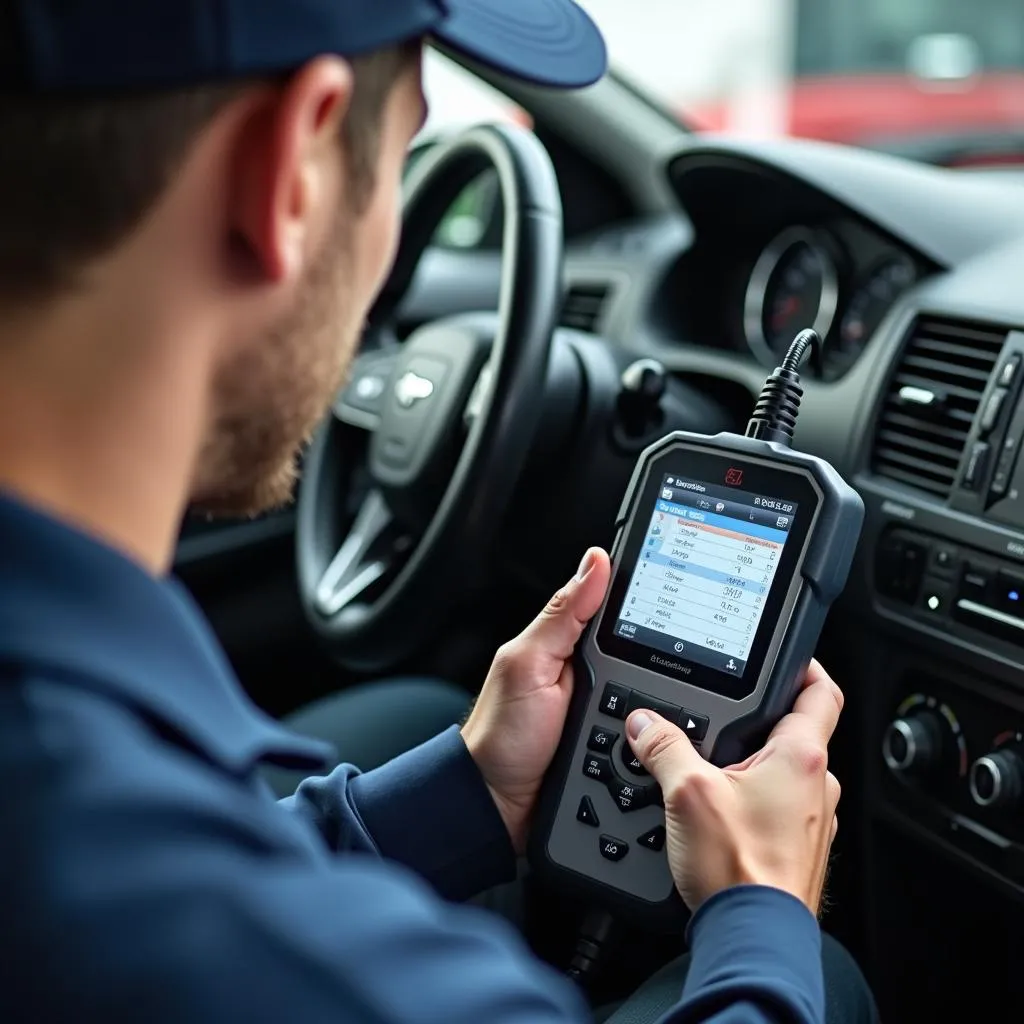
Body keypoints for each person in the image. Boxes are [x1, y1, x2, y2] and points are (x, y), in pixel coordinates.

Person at [0, 2, 877, 1022]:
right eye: (405, 152)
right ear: (288, 168)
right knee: (830, 978)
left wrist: (473, 797)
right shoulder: (246, 937)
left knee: (421, 720)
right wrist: (760, 908)